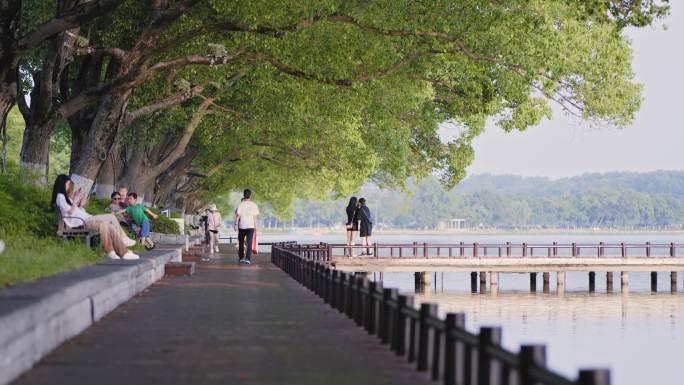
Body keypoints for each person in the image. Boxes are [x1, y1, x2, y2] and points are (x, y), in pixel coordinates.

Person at [51, 175, 139, 260]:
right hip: (83, 222)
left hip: (86, 219)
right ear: (61, 184)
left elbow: (74, 211)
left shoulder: (67, 198)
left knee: (110, 226)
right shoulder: (60, 196)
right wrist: (75, 200)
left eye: (69, 185)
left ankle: (121, 252)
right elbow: (70, 212)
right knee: (110, 217)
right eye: (67, 184)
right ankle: (122, 239)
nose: (69, 187)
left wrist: (81, 206)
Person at [234, 189, 259, 265]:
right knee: (249, 242)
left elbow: (238, 216)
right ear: (250, 195)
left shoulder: (241, 204)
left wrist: (235, 224)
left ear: (243, 195)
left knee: (241, 242)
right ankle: (248, 259)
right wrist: (256, 226)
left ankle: (241, 258)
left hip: (242, 226)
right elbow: (255, 217)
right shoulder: (254, 205)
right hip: (250, 226)